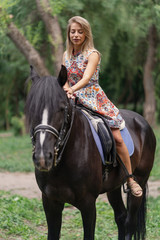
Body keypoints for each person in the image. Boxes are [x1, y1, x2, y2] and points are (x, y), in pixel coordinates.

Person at [62, 16, 142, 197]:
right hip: (71, 97)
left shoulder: (93, 54)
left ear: (86, 34)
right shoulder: (66, 55)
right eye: (73, 31)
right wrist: (66, 89)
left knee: (117, 137)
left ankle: (129, 178)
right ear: (69, 33)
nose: (76, 35)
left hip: (94, 99)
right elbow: (64, 78)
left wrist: (71, 89)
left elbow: (86, 78)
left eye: (80, 31)